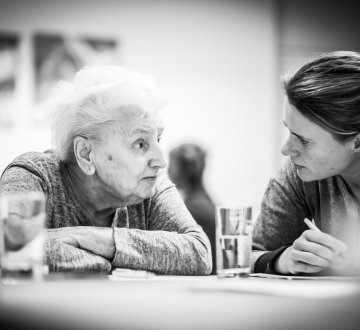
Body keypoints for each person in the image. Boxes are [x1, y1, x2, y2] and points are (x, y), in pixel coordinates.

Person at [0, 65, 212, 275]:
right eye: (140, 143)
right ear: (86, 154)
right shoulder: (34, 176)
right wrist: (115, 262)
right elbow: (8, 245)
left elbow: (199, 253)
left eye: (157, 139)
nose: (160, 161)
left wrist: (92, 238)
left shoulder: (150, 186)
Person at [252, 51, 360, 276]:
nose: (286, 149)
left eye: (303, 140)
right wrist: (282, 259)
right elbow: (250, 255)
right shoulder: (300, 174)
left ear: (357, 141)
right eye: (289, 131)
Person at [168, 143, 216, 274]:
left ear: (183, 170)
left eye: (171, 165)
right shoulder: (203, 200)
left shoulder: (194, 209)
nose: (168, 170)